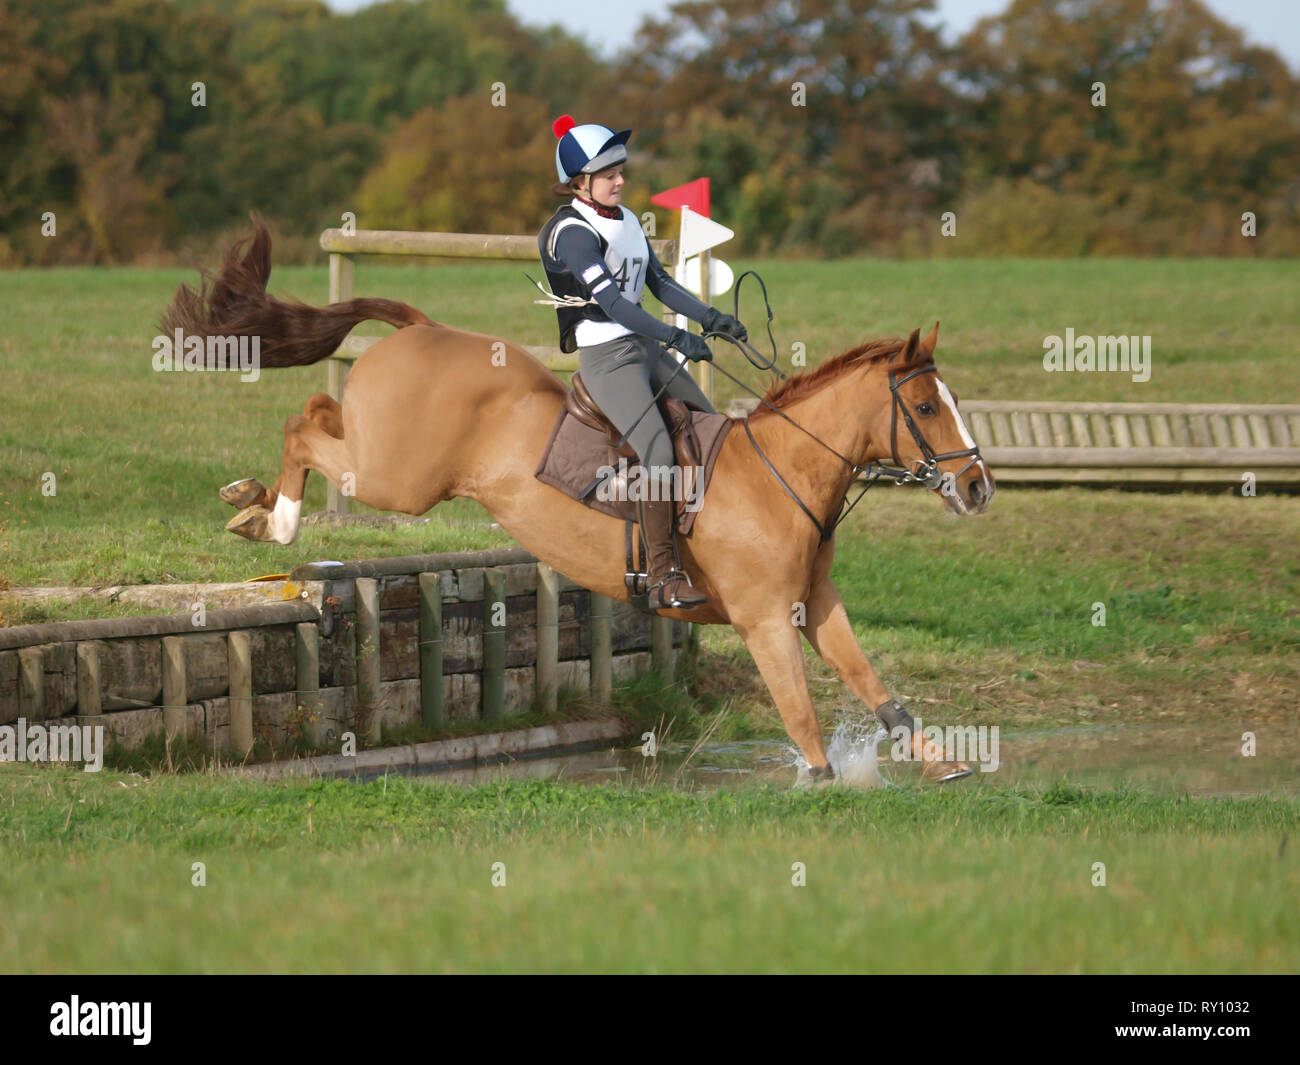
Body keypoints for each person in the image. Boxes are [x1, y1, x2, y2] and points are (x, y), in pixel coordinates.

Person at [537, 115, 747, 613]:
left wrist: (709, 316)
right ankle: (662, 575)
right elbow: (614, 306)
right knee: (657, 450)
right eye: (609, 173)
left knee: (711, 428)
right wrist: (677, 335)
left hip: (645, 346)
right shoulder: (571, 231)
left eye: (620, 171)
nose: (620, 180)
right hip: (608, 357)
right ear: (580, 182)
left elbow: (660, 284)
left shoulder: (627, 220)